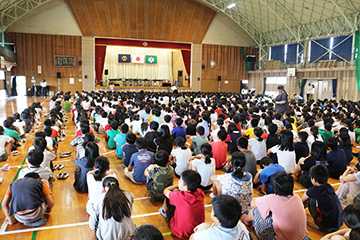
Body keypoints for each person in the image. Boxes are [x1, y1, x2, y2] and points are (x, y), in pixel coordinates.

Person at [242, 172, 307, 240]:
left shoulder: (271, 199)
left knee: (257, 210)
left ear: (274, 188)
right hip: (303, 238)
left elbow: (251, 204)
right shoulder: (297, 197)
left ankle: (246, 219)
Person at [159, 170, 205, 239]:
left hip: (180, 232)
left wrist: (175, 186)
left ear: (186, 188)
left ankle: (164, 211)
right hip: (197, 230)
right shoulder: (200, 192)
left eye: (180, 181)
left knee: (169, 197)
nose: (178, 182)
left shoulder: (179, 197)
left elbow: (165, 191)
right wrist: (180, 188)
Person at [301, 165, 343, 232]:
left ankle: (299, 215)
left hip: (326, 226)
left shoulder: (313, 190)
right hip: (339, 224)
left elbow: (301, 201)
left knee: (310, 200)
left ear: (314, 180)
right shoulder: (330, 187)